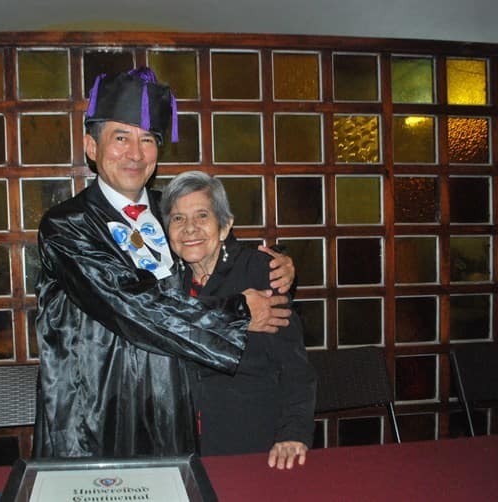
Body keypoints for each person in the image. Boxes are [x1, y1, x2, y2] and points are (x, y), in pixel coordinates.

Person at [35, 67, 296, 458]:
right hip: (98, 408)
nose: (135, 154)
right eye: (120, 138)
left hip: (176, 403)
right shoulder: (66, 226)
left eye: (147, 140)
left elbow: (226, 260)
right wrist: (240, 313)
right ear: (91, 147)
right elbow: (131, 305)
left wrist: (278, 267)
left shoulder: (171, 211)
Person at [160, 170, 316, 469]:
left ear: (224, 225)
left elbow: (294, 365)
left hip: (250, 438)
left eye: (202, 215)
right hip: (180, 442)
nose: (189, 228)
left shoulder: (259, 271)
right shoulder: (165, 281)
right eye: (178, 219)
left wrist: (293, 432)